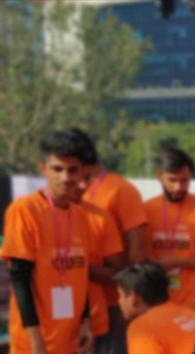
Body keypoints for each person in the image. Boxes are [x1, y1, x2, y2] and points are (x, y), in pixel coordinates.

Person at [1, 131, 94, 354]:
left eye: (72, 170)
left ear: (82, 171)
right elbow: (19, 278)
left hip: (70, 339)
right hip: (35, 343)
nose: (65, 177)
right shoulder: (24, 210)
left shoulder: (80, 216)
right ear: (42, 168)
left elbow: (82, 274)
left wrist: (86, 322)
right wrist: (35, 342)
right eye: (57, 169)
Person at [68, 128, 148, 354]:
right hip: (74, 300)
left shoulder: (120, 190)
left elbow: (137, 249)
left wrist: (131, 297)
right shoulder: (70, 191)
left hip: (113, 301)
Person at [66, 147, 125, 354]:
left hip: (95, 321)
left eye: (87, 178)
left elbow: (117, 271)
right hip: (50, 323)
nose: (82, 185)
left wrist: (79, 268)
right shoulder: (34, 213)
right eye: (76, 176)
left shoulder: (100, 218)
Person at [143, 146, 195, 308]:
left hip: (192, 304)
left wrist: (177, 262)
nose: (178, 187)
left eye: (184, 181)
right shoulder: (146, 210)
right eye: (172, 180)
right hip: (155, 304)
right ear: (159, 175)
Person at [114, 262, 195, 354]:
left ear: (134, 298)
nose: (119, 301)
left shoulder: (142, 327)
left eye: (120, 295)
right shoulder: (192, 314)